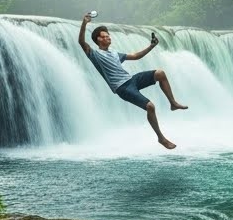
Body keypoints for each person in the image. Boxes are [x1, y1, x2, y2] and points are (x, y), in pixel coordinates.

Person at [78, 12, 188, 149]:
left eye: (108, 35)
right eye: (105, 36)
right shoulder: (94, 54)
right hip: (123, 88)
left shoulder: (114, 53)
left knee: (160, 73)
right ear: (98, 40)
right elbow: (81, 42)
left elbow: (136, 56)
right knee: (150, 106)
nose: (108, 38)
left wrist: (151, 46)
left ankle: (173, 103)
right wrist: (84, 23)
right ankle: (161, 138)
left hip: (132, 80)